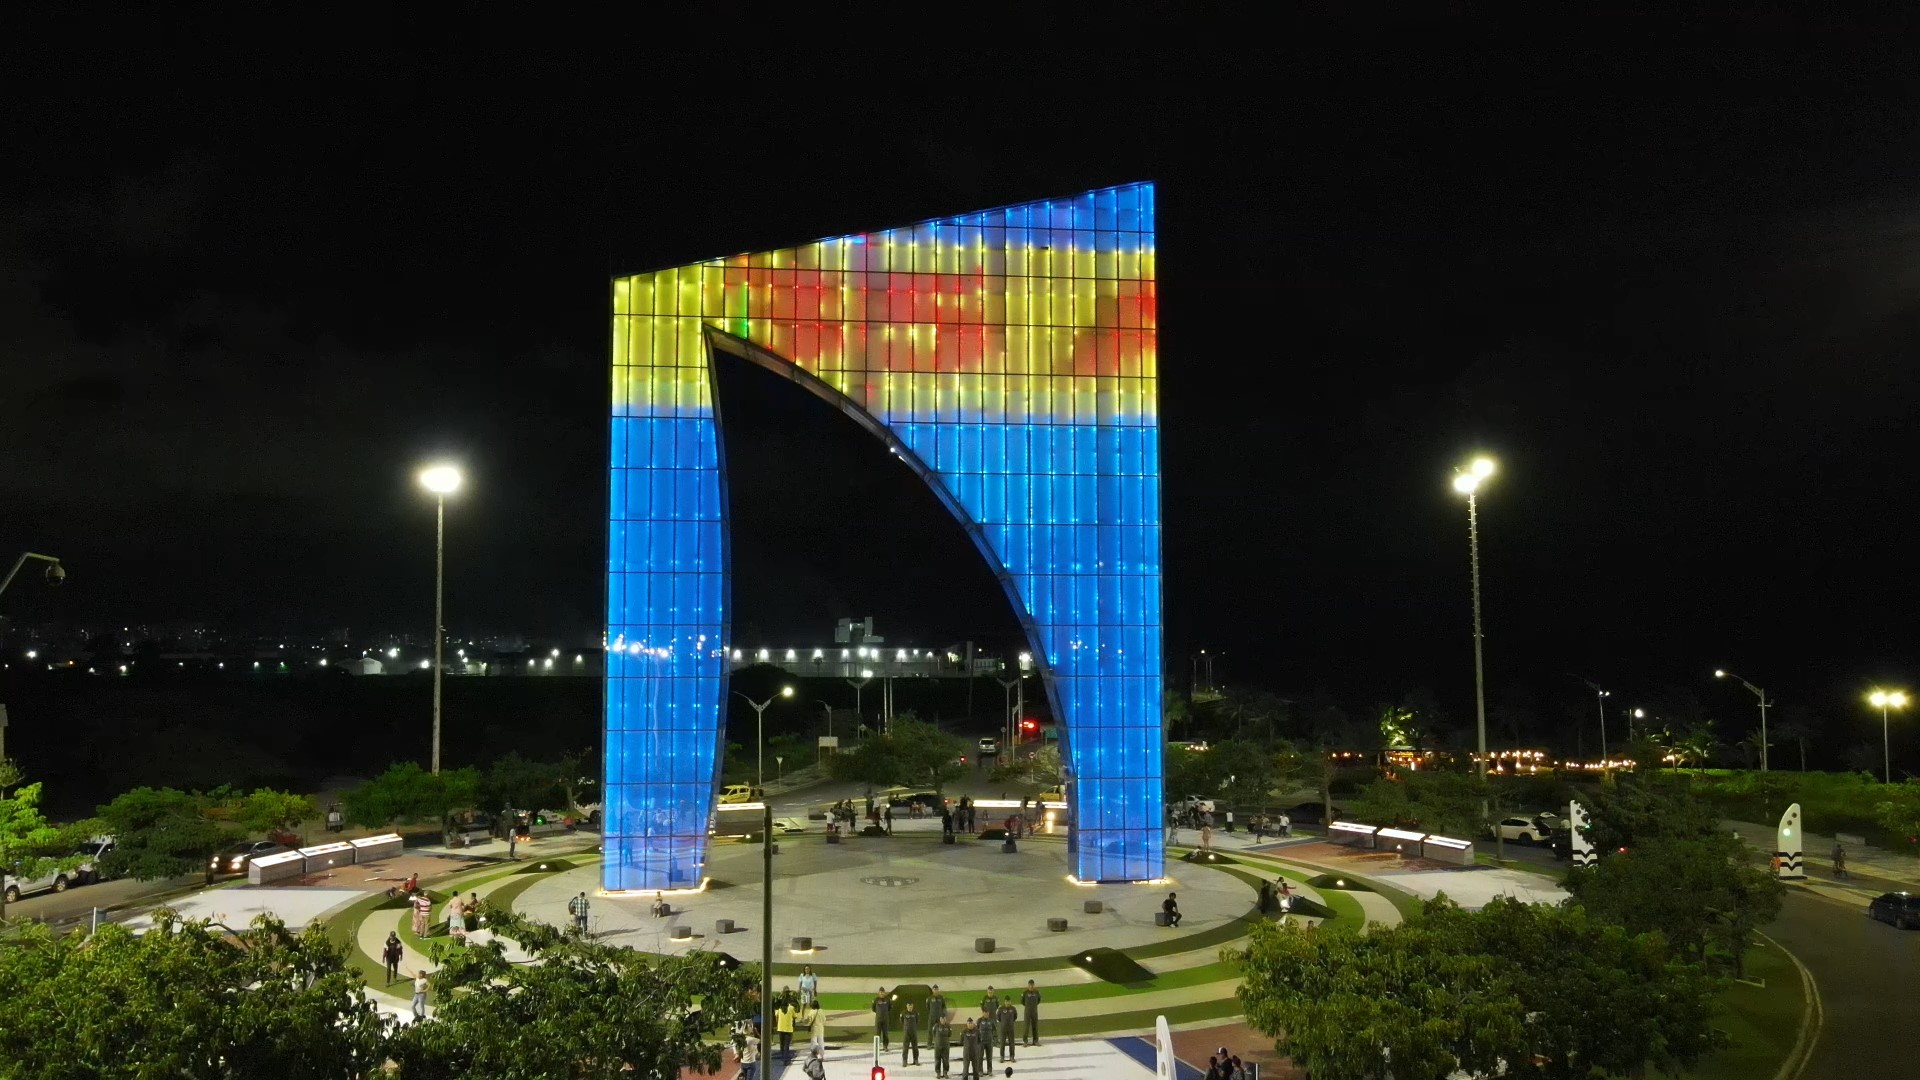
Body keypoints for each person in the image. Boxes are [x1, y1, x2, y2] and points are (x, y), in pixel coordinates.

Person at [932, 1011, 953, 1078]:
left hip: (946, 1046)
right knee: (937, 1060)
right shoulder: (936, 1026)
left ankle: (945, 1072)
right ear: (940, 1019)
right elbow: (934, 1034)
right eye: (941, 1018)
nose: (943, 1020)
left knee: (946, 1060)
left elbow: (950, 1034)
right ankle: (938, 1073)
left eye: (944, 1018)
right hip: (938, 1046)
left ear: (945, 1019)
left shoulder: (948, 1026)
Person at [1021, 979, 1042, 1045]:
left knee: (1035, 1026)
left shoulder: (1037, 992)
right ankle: (1025, 1041)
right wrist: (1028, 1006)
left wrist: (1033, 1006)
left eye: (1032, 985)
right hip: (1027, 1011)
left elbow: (1038, 1000)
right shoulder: (1025, 993)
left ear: (1034, 985)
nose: (1031, 986)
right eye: (1030, 985)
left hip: (1034, 1011)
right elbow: (1022, 1001)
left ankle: (1035, 1040)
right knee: (1026, 1026)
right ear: (1028, 985)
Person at [775, 998, 796, 1062]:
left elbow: (776, 1016)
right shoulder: (791, 1008)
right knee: (786, 1045)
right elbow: (794, 1017)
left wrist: (778, 1024)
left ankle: (782, 1056)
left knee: (782, 1044)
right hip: (788, 1028)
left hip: (780, 1028)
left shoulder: (779, 1008)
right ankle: (786, 1059)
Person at [901, 1001, 921, 1066]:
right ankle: (904, 1061)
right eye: (909, 1006)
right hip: (906, 1033)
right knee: (905, 1047)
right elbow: (901, 1021)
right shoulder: (903, 1013)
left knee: (915, 1047)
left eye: (911, 1006)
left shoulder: (915, 1013)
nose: (910, 1007)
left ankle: (916, 1060)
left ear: (913, 1006)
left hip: (913, 1032)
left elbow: (917, 1021)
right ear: (906, 1006)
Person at [978, 1001, 996, 1069]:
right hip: (981, 1042)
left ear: (988, 1013)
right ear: (983, 1013)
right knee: (980, 1057)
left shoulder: (991, 1021)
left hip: (989, 1041)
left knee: (989, 1057)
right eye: (985, 1012)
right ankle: (980, 1070)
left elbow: (994, 1030)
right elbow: (976, 1031)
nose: (986, 1014)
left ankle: (989, 1070)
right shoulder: (979, 1021)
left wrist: (995, 1039)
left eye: (987, 1012)